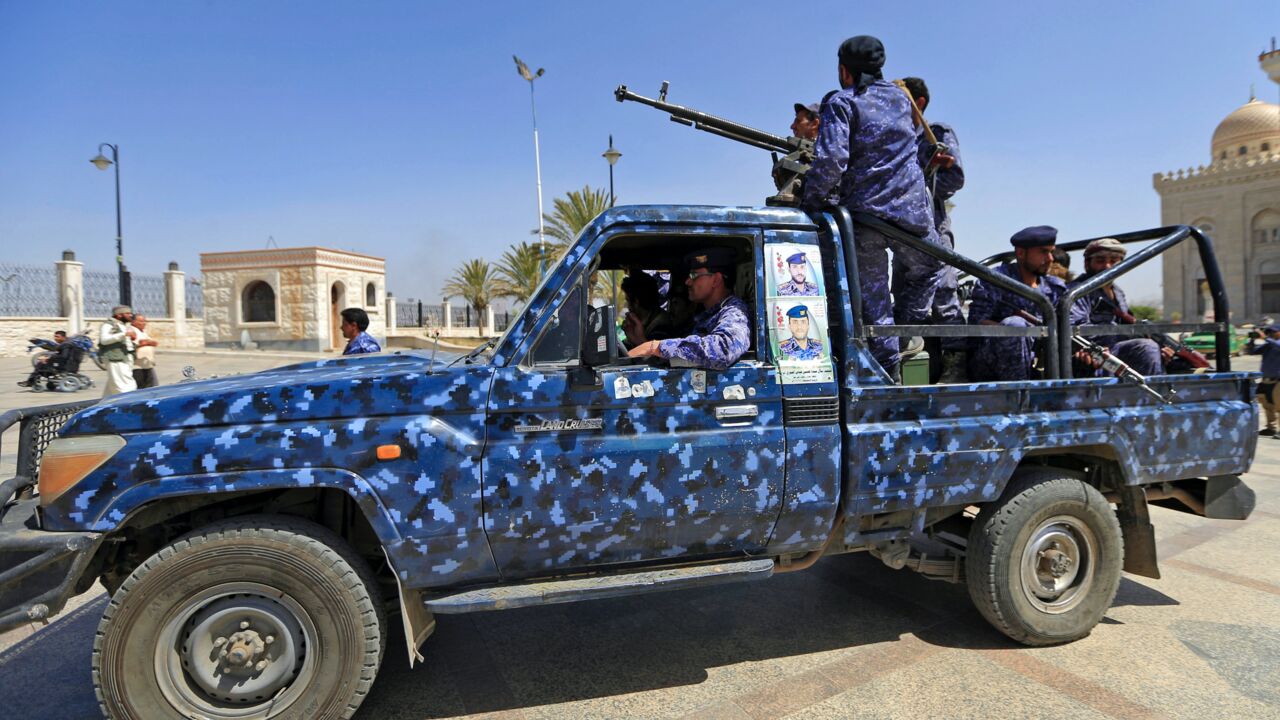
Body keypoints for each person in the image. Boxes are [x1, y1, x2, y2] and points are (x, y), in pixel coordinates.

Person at [801, 35, 939, 378]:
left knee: (875, 308)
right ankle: (907, 334)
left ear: (844, 70)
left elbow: (832, 159)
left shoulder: (842, 102)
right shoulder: (900, 97)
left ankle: (887, 376)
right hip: (912, 215)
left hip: (865, 219)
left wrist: (813, 202)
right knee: (931, 268)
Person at [898, 76, 968, 382]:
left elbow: (955, 180)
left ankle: (957, 366)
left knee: (944, 294)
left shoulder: (934, 134)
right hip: (901, 231)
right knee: (903, 296)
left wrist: (932, 169)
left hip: (931, 228)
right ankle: (906, 367)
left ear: (918, 103)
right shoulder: (896, 140)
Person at [967, 226, 1067, 381]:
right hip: (993, 362)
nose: (1050, 259)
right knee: (1015, 325)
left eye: (1051, 252)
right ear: (1021, 253)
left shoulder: (1055, 288)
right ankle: (1018, 395)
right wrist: (1022, 331)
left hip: (1043, 358)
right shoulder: (997, 279)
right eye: (1043, 252)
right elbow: (977, 322)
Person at [628, 248, 751, 370]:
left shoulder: (734, 312)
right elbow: (682, 360)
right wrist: (641, 342)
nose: (688, 282)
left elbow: (725, 350)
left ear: (716, 280)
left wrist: (657, 347)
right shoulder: (705, 316)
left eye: (694, 275)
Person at [1069, 238, 1171, 376]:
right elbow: (1077, 331)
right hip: (1092, 355)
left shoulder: (1117, 292)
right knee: (1146, 347)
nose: (1107, 266)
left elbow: (1125, 322)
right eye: (1100, 260)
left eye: (1114, 261)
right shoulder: (1077, 291)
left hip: (1115, 353)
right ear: (1087, 264)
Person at [620, 271, 676, 349]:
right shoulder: (644, 321)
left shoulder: (661, 328)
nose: (627, 306)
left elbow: (655, 358)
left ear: (636, 302)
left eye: (628, 300)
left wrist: (637, 339)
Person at [1248, 325, 1280, 436]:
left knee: (1279, 405)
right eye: (1269, 332)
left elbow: (1276, 345)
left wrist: (1264, 337)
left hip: (1278, 380)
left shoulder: (1276, 343)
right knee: (1267, 404)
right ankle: (1271, 428)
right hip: (1266, 379)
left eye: (1274, 332)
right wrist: (1251, 340)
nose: (1271, 334)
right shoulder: (1268, 345)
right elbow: (1252, 351)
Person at [100, 305, 138, 397]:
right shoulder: (108, 325)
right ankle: (128, 403)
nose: (130, 315)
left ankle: (105, 405)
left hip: (125, 357)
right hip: (115, 358)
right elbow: (104, 340)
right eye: (127, 313)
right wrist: (124, 334)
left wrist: (131, 338)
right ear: (119, 315)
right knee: (125, 385)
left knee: (114, 384)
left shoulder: (123, 325)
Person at [130, 314, 161, 389]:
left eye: (144, 321)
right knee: (140, 388)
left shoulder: (142, 332)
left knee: (151, 387)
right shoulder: (131, 331)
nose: (144, 323)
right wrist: (144, 344)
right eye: (141, 321)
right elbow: (131, 347)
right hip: (137, 367)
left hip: (147, 365)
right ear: (133, 322)